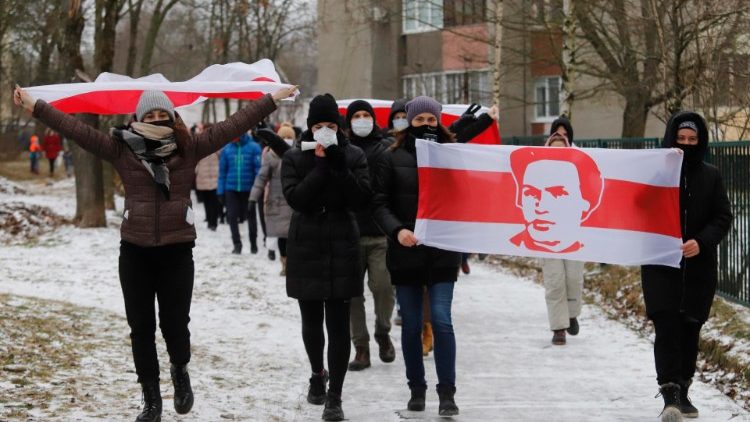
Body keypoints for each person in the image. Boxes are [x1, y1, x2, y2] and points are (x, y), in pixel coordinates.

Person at [14, 84, 295, 422]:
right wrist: (36, 106)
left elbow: (233, 124)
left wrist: (270, 100)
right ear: (138, 118)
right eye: (151, 115)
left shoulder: (189, 148)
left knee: (176, 325)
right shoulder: (122, 149)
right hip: (135, 252)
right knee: (141, 327)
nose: (158, 120)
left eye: (164, 115)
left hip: (177, 252)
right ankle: (150, 398)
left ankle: (179, 370)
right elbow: (77, 130)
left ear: (173, 117)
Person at [281, 93, 371, 422]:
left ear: (339, 127)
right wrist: (319, 167)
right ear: (309, 127)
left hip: (342, 243)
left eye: (330, 126)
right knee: (311, 322)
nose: (324, 131)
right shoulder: (294, 157)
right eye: (318, 126)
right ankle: (317, 373)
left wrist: (337, 163)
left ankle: (336, 397)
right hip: (306, 243)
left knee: (337, 323)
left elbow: (360, 198)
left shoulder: (354, 154)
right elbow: (297, 199)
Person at [372, 96, 461, 417]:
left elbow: (467, 198)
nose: (426, 124)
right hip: (406, 252)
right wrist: (397, 231)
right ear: (409, 121)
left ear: (439, 122)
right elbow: (379, 204)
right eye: (419, 118)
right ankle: (417, 388)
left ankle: (447, 392)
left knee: (441, 320)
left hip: (442, 253)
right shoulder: (390, 157)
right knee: (410, 324)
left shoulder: (453, 156)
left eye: (431, 119)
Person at [641, 112, 732, 421]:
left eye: (693, 140)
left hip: (698, 268)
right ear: (671, 139)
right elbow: (638, 205)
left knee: (690, 327)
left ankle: (684, 388)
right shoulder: (655, 173)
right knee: (666, 326)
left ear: (701, 142)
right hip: (660, 265)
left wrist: (701, 242)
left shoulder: (711, 175)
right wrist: (659, 173)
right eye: (681, 139)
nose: (687, 145)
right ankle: (670, 395)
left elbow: (723, 217)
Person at [343, 100, 396, 372]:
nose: (361, 119)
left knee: (383, 287)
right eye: (357, 116)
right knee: (352, 295)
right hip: (350, 232)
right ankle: (360, 347)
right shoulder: (341, 149)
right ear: (349, 121)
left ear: (373, 119)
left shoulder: (385, 147)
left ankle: (383, 331)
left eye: (366, 115)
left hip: (380, 233)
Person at [508, 143, 603, 253]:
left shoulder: (591, 247)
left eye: (557, 194)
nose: (541, 207)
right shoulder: (507, 244)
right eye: (530, 193)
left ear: (585, 204)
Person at [538, 131, 585, 346]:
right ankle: (558, 327)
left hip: (573, 232)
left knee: (573, 279)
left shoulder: (578, 174)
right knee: (555, 281)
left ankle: (572, 313)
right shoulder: (538, 174)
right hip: (546, 235)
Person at [250, 123, 295, 275]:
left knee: (293, 235)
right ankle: (285, 263)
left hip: (294, 201)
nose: (286, 140)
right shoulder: (270, 156)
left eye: (290, 137)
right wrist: (253, 198)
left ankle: (292, 262)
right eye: (283, 137)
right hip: (276, 201)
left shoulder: (297, 154)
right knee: (282, 236)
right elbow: (261, 178)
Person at [217, 131, 262, 254]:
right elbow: (222, 173)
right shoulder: (226, 149)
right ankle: (237, 244)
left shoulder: (254, 147)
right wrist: (220, 191)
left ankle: (253, 243)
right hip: (231, 189)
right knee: (231, 216)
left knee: (251, 217)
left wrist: (257, 189)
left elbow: (259, 171)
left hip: (249, 189)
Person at [194, 123, 221, 231]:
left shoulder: (199, 144)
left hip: (208, 177)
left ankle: (211, 221)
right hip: (210, 176)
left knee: (209, 201)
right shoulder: (217, 143)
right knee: (211, 201)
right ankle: (212, 222)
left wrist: (197, 171)